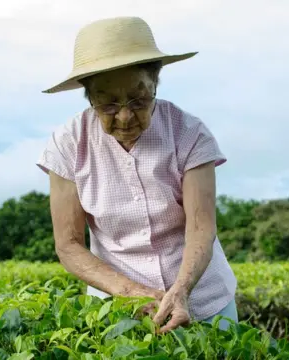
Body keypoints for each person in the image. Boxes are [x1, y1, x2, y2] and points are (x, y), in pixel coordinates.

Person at [36, 16, 238, 333]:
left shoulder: (189, 134)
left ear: (155, 83)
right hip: (118, 310)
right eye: (109, 105)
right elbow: (69, 245)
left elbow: (201, 229)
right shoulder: (68, 144)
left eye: (139, 99)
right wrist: (130, 293)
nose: (126, 116)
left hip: (204, 300)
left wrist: (181, 290)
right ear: (90, 97)